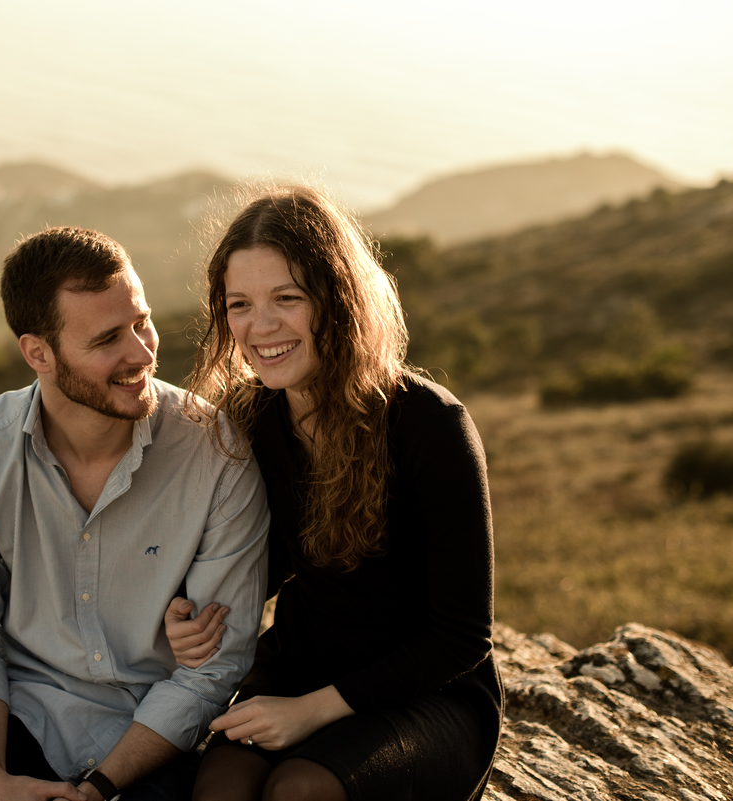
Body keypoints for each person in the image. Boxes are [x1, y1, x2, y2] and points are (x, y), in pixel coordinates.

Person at [0, 226, 270, 801]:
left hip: (156, 738)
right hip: (21, 716)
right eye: (108, 339)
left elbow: (215, 667)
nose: (141, 353)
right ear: (38, 353)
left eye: (142, 322)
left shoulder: (216, 455)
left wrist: (99, 788)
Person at [164, 186, 502, 801]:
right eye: (240, 304)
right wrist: (188, 613)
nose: (261, 326)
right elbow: (255, 563)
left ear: (338, 300)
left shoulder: (430, 425)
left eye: (287, 298)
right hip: (299, 667)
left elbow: (463, 635)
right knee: (220, 794)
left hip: (426, 694)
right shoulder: (251, 418)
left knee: (299, 792)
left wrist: (311, 712)